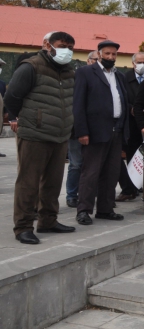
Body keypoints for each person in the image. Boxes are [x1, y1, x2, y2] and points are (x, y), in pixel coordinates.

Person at [5, 32, 77, 244]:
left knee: (53, 183)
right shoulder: (31, 66)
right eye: (62, 46)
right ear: (47, 44)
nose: (66, 51)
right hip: (34, 134)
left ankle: (48, 221)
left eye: (70, 48)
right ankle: (23, 227)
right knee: (28, 183)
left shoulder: (68, 71)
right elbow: (11, 97)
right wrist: (29, 119)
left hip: (60, 135)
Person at [73, 40, 129, 226]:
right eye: (107, 54)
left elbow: (123, 101)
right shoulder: (85, 72)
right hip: (94, 131)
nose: (111, 57)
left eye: (114, 54)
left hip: (116, 130)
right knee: (90, 172)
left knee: (111, 173)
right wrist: (82, 131)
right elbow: (78, 104)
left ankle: (105, 209)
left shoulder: (119, 76)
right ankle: (83, 210)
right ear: (98, 54)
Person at [65, 50, 99, 208]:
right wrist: (80, 130)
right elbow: (76, 105)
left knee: (92, 165)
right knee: (76, 164)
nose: (97, 63)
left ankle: (88, 194)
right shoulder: (78, 76)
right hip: (77, 130)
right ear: (88, 60)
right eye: (94, 59)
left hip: (96, 130)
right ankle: (72, 194)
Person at [116, 52, 144, 202]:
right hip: (130, 124)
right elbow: (120, 97)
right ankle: (129, 189)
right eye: (139, 62)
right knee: (131, 156)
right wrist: (131, 108)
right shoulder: (124, 78)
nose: (141, 65)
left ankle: (143, 185)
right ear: (133, 63)